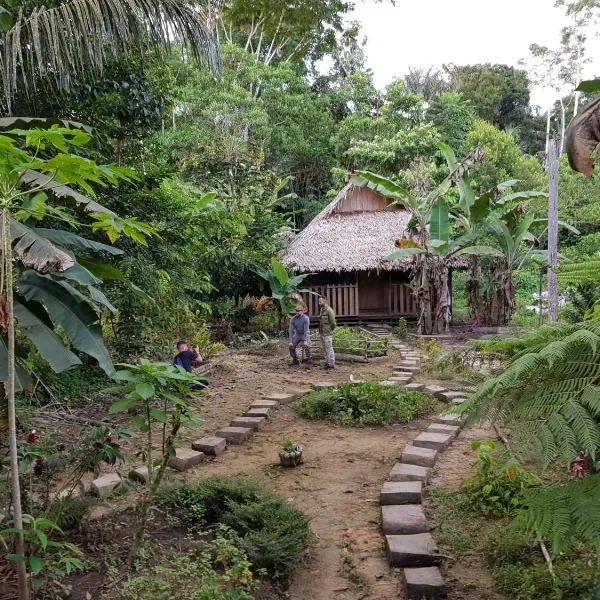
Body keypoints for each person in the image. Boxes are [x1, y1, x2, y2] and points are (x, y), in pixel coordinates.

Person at [318, 296, 336, 370]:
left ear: (325, 301)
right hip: (322, 332)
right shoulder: (322, 310)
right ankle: (327, 362)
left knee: (329, 349)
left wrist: (330, 330)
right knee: (324, 349)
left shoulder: (329, 310)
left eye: (320, 301)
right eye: (319, 301)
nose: (319, 303)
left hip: (327, 333)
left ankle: (331, 364)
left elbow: (333, 323)